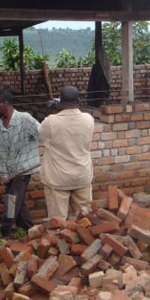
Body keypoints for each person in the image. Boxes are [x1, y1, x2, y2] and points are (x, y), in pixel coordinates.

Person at [38, 86, 95, 221]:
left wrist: (56, 106)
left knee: (57, 222)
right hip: (81, 176)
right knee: (84, 220)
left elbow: (40, 135)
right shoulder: (88, 119)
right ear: (79, 100)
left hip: (58, 179)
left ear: (61, 102)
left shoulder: (50, 122)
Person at [0, 89, 39, 236]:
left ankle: (5, 231)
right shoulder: (0, 125)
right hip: (12, 172)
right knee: (19, 201)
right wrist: (4, 174)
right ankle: (31, 230)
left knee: (12, 200)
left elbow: (42, 132)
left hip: (24, 169)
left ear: (6, 103)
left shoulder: (24, 118)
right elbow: (3, 152)